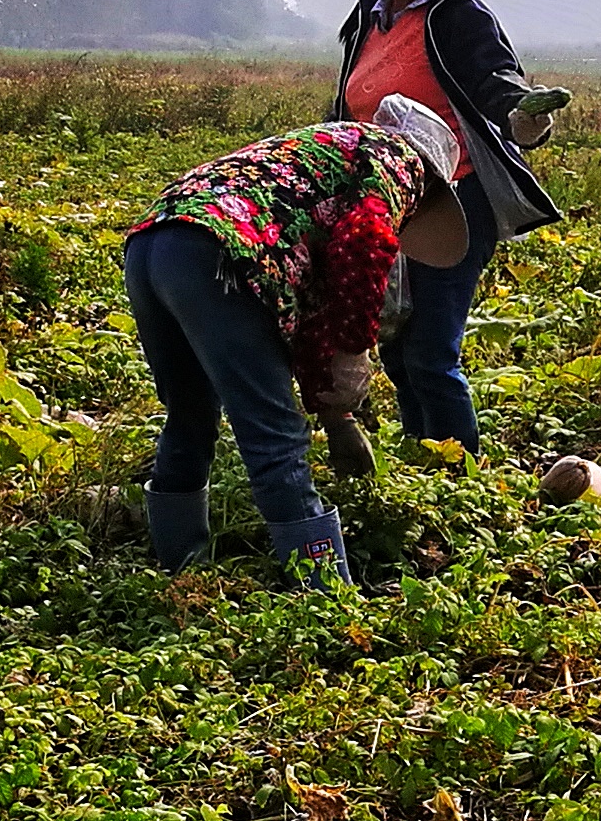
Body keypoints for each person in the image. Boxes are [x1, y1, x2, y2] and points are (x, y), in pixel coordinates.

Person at [119, 93, 470, 584]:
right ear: (431, 184)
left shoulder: (331, 155)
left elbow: (302, 309)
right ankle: (325, 595)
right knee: (275, 433)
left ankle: (182, 573)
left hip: (155, 242)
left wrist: (337, 416)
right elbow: (366, 240)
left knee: (190, 412)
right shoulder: (396, 160)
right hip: (220, 253)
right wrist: (354, 350)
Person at [325, 0, 565, 454]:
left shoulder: (458, 15)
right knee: (399, 348)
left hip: (455, 199)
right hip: (386, 204)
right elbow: (349, 103)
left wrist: (522, 113)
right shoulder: (368, 15)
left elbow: (494, 80)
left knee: (432, 353)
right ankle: (422, 456)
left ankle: (461, 474)